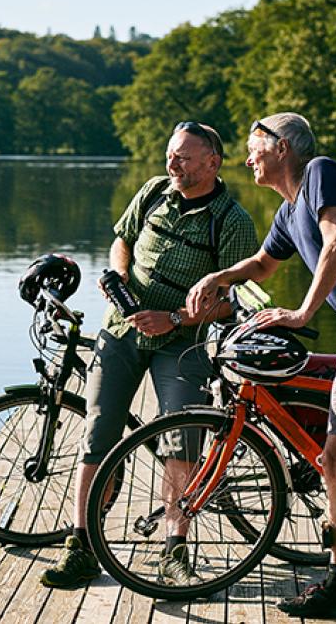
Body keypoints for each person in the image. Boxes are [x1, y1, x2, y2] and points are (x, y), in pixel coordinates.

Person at [186, 113, 336, 624]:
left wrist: (302, 313)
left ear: (283, 148)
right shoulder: (286, 211)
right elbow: (261, 264)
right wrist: (220, 275)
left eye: (255, 147)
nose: (247, 157)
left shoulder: (319, 172)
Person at [38, 121, 258, 589]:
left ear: (212, 163)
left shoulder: (233, 220)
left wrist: (175, 318)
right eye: (170, 155)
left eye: (182, 157)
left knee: (182, 439)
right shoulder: (155, 191)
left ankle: (174, 549)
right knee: (98, 431)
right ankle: (80, 546)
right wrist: (118, 278)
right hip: (120, 331)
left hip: (182, 342)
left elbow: (230, 302)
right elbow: (123, 239)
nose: (171, 164)